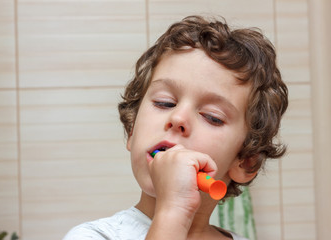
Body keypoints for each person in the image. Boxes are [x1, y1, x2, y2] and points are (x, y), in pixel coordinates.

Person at [64, 15, 288, 240]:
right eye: (165, 103)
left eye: (212, 117)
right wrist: (173, 211)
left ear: (246, 160)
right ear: (132, 130)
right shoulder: (94, 236)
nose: (178, 117)